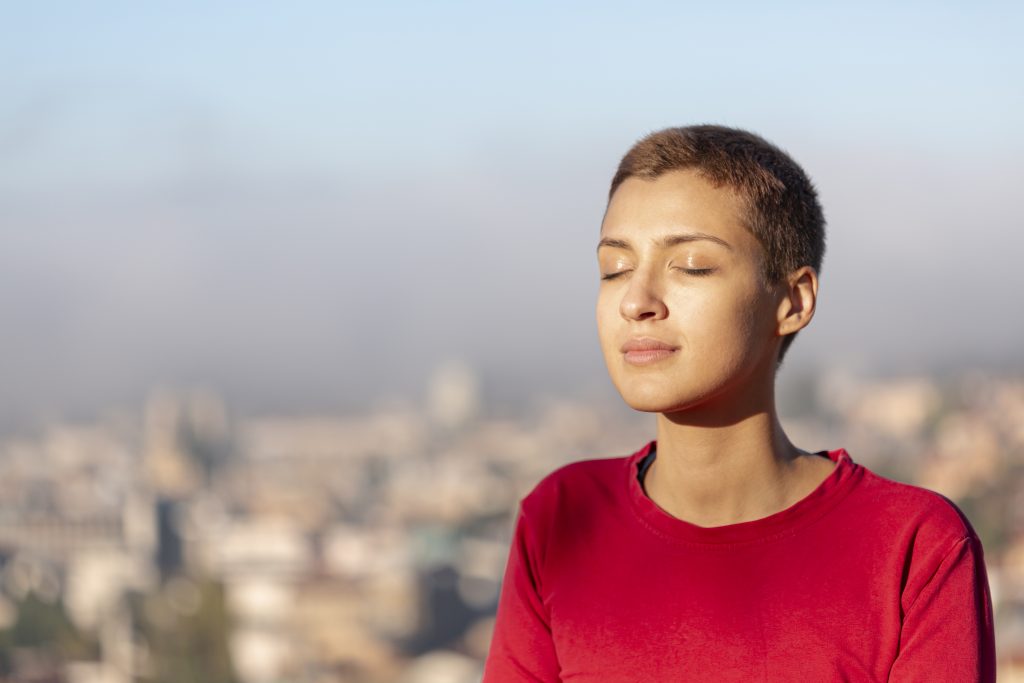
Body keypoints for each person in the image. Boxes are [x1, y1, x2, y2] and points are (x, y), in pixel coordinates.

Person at [481, 125, 996, 682]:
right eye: (615, 269)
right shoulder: (561, 518)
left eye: (692, 265)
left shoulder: (913, 546)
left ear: (793, 301)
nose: (636, 301)